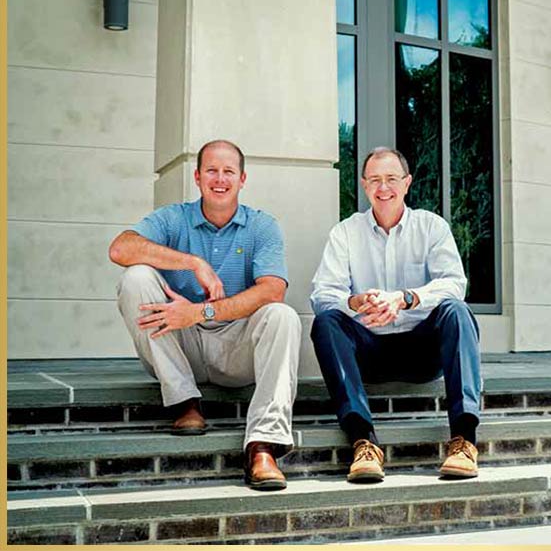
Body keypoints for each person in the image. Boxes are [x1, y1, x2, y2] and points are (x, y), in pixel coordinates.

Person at [109, 139, 301, 491]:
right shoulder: (173, 218)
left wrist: (200, 311)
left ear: (242, 179)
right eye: (211, 170)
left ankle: (263, 446)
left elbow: (273, 290)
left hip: (236, 351)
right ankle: (185, 401)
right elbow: (121, 248)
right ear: (197, 177)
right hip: (180, 348)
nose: (220, 179)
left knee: (283, 315)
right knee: (135, 277)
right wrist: (193, 262)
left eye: (229, 171)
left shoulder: (262, 226)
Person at [310, 146, 482, 483]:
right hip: (368, 351)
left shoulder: (431, 227)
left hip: (422, 351)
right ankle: (363, 442)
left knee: (457, 312)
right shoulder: (345, 232)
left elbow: (454, 284)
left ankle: (464, 441)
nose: (383, 188)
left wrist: (406, 298)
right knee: (327, 321)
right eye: (375, 180)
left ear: (407, 184)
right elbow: (322, 294)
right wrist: (358, 302)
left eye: (391, 179)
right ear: (363, 185)